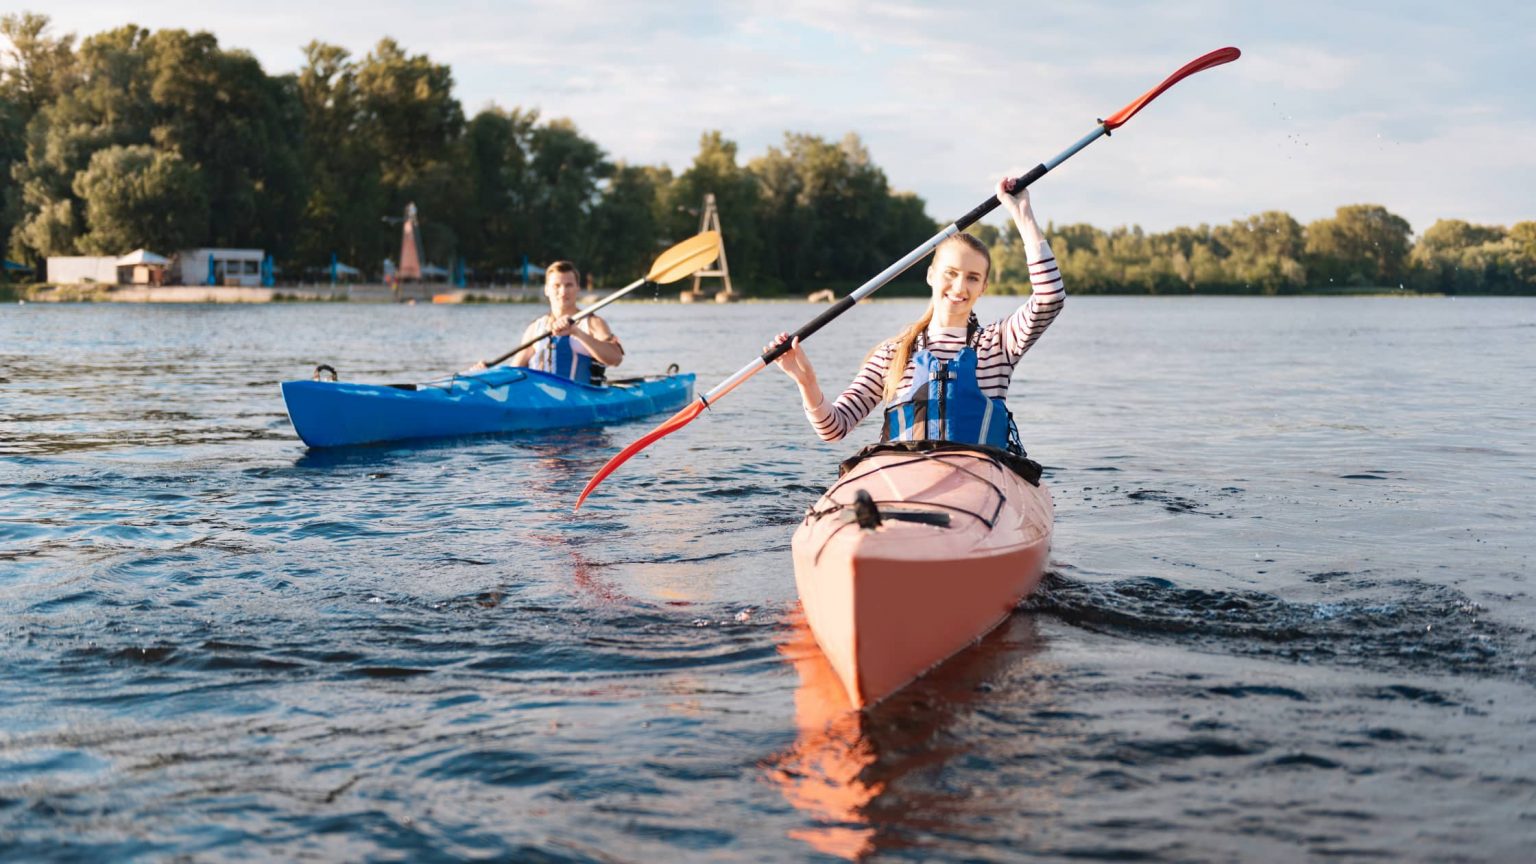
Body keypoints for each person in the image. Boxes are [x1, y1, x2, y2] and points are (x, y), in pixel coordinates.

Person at [766, 180, 1063, 453]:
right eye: (951, 273)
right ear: (931, 275)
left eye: (973, 278)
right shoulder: (892, 354)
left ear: (983, 287)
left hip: (982, 477)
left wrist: (1022, 213)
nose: (960, 287)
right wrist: (806, 382)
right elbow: (834, 428)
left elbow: (1050, 298)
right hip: (907, 477)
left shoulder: (998, 343)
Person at [474, 261, 624, 381]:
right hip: (540, 400)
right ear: (546, 290)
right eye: (556, 286)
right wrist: (487, 375)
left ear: (578, 288)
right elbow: (514, 372)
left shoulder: (593, 323)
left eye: (569, 285)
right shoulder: (535, 328)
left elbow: (616, 358)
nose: (563, 291)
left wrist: (577, 333)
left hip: (581, 399)